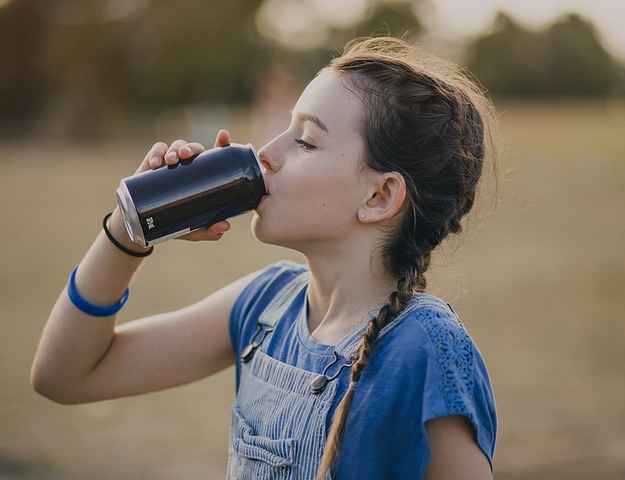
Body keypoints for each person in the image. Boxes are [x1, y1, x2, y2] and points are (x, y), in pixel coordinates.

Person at [32, 36, 498, 479]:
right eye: (284, 127)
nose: (265, 154)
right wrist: (129, 229)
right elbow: (65, 375)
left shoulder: (427, 351)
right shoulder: (265, 304)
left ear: (379, 196)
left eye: (306, 141)